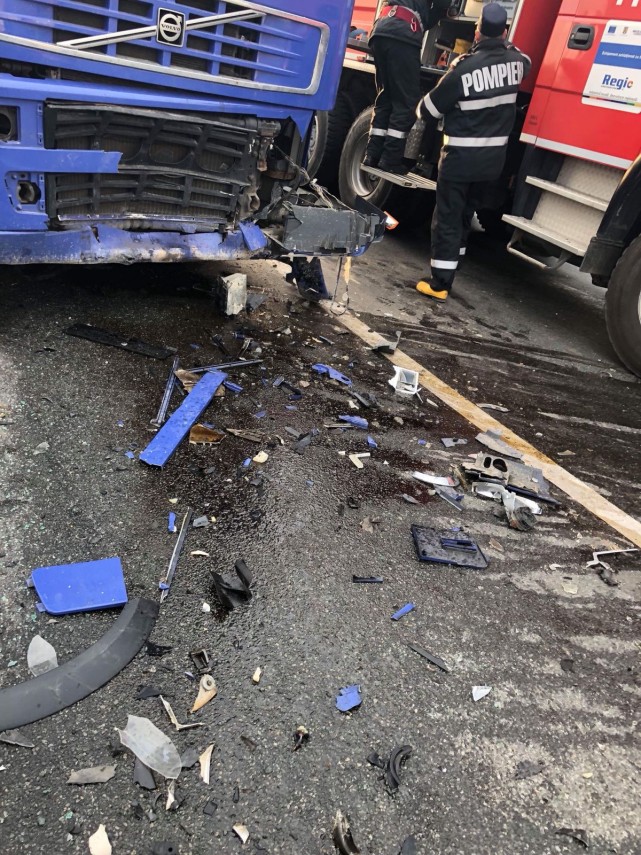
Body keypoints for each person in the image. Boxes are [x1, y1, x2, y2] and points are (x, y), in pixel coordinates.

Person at [414, 2, 531, 301]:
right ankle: (455, 264)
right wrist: (505, 45)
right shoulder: (517, 62)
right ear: (504, 32)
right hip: (492, 163)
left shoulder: (464, 68)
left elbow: (427, 110)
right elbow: (526, 60)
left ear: (477, 32)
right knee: (466, 214)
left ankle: (439, 283)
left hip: (460, 160)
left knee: (447, 218)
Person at [364, 1, 452, 174]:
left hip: (381, 30)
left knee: (386, 96)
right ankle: (390, 159)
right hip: (403, 35)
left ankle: (372, 155)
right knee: (406, 102)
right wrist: (444, 10)